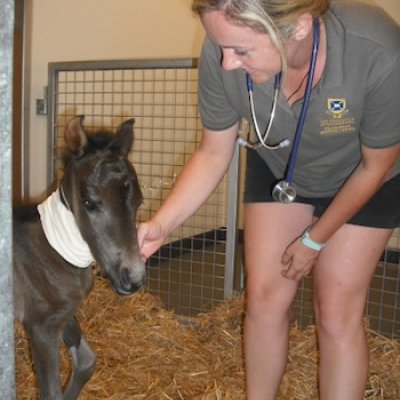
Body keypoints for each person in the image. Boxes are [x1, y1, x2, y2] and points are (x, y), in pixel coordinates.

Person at [138, 0, 400, 398]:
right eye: (220, 47)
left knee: (336, 311)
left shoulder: (376, 47)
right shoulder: (220, 53)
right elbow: (213, 153)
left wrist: (315, 239)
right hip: (283, 167)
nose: (226, 62)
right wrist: (162, 224)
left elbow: (375, 166)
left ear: (298, 28)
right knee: (263, 297)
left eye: (241, 51)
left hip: (365, 175)